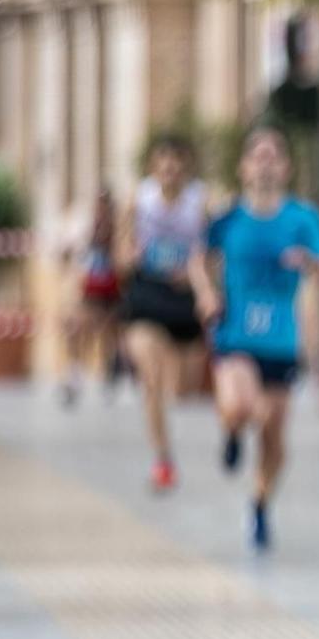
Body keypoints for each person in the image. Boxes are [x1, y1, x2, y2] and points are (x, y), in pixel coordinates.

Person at [204, 126, 319, 549]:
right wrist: (208, 294)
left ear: (286, 167)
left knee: (276, 439)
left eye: (273, 154)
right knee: (242, 405)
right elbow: (198, 257)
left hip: (281, 340)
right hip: (236, 335)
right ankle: (232, 430)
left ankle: (259, 502)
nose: (264, 161)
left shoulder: (303, 219)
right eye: (256, 154)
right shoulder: (227, 219)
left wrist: (309, 263)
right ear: (243, 168)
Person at [120, 136, 218, 491]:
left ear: (186, 167)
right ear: (153, 168)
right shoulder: (138, 200)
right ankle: (162, 458)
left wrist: (202, 280)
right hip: (148, 292)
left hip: (185, 299)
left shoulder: (201, 202)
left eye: (176, 162)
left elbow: (213, 251)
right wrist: (127, 255)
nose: (169, 169)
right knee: (151, 376)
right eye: (163, 163)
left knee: (185, 388)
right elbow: (121, 248)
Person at [60, 187, 124, 407]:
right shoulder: (87, 229)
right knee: (76, 329)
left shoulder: (117, 230)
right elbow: (72, 255)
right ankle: (75, 374)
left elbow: (122, 261)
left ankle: (108, 377)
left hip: (111, 292)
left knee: (108, 336)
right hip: (90, 290)